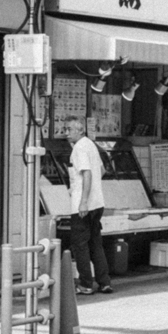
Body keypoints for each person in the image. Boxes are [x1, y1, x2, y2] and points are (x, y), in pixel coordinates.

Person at [65, 116, 113, 295]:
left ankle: (85, 284)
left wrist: (83, 200)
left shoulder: (79, 148)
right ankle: (104, 282)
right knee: (95, 244)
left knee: (80, 245)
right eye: (66, 129)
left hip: (82, 205)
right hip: (98, 202)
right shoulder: (91, 145)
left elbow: (87, 174)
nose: (66, 133)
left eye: (70, 129)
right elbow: (101, 170)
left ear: (80, 130)